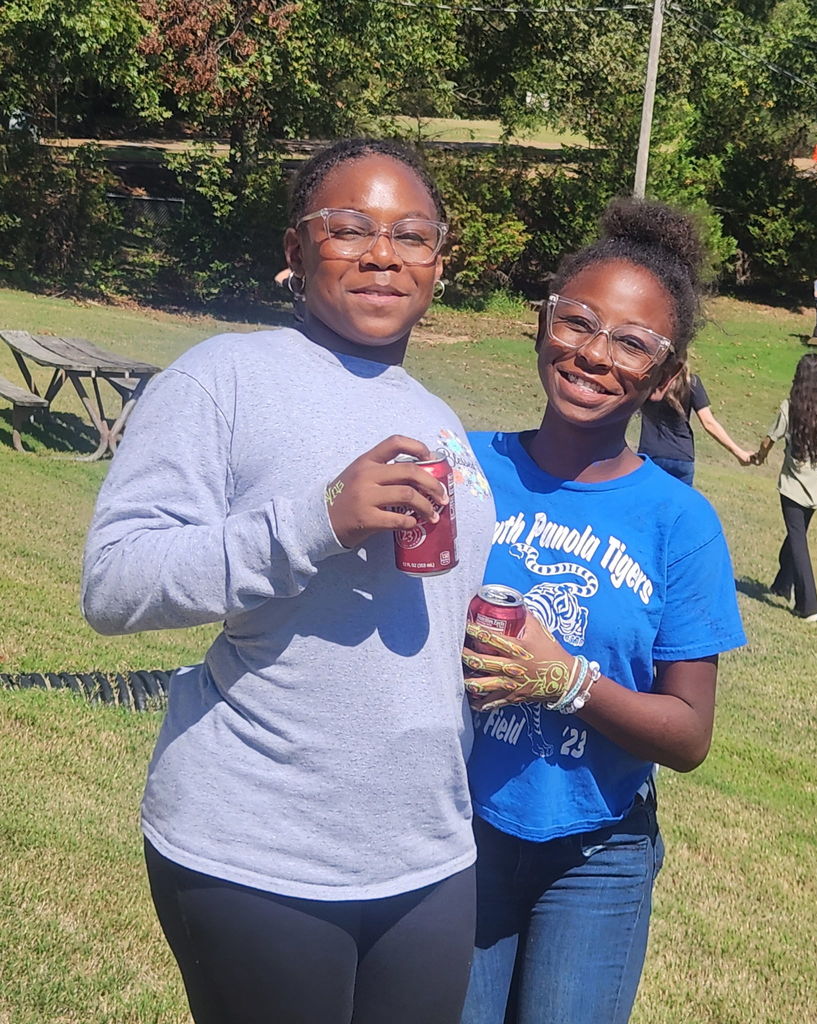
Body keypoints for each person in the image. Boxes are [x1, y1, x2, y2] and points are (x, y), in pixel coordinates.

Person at [81, 138, 496, 1024]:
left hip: (426, 849)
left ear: (438, 261)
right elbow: (115, 583)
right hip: (259, 847)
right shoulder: (225, 377)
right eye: (349, 228)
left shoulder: (438, 415)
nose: (382, 253)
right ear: (296, 248)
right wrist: (319, 521)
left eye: (412, 235)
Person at [460, 198, 747, 1024]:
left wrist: (565, 679)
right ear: (541, 325)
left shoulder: (679, 523)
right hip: (453, 830)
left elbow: (689, 735)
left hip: (599, 850)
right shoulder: (469, 464)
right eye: (578, 322)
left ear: (664, 376)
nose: (595, 354)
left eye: (631, 342)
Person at [750, 353, 817, 623]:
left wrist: (759, 457)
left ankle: (809, 606)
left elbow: (769, 440)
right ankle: (782, 586)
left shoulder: (790, 407)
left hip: (792, 486)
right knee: (796, 535)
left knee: (798, 540)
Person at [639, 370, 754, 486]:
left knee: (647, 502)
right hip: (682, 458)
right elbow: (709, 423)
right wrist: (740, 453)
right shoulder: (691, 382)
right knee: (681, 503)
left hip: (651, 455)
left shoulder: (648, 380)